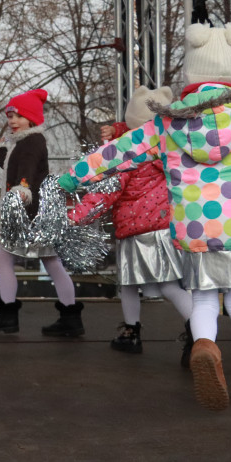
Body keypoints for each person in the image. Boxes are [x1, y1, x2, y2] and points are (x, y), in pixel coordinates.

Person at [60, 21, 231, 411]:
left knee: (204, 301)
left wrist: (71, 180)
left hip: (195, 229)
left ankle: (205, 348)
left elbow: (116, 153)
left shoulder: (167, 123)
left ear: (191, 74)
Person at [73, 86, 193, 356]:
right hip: (162, 226)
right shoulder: (166, 147)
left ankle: (133, 332)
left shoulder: (127, 154)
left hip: (135, 228)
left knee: (134, 284)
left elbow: (107, 191)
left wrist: (75, 217)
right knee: (169, 284)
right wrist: (118, 130)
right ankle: (199, 330)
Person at [0, 89, 85, 337]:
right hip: (35, 212)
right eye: (10, 115)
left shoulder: (31, 142)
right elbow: (20, 169)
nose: (12, 120)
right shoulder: (25, 141)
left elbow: (24, 175)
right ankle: (69, 317)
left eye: (18, 116)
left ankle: (8, 314)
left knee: (9, 258)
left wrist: (20, 193)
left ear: (32, 118)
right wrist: (1, 151)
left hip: (28, 212)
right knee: (50, 261)